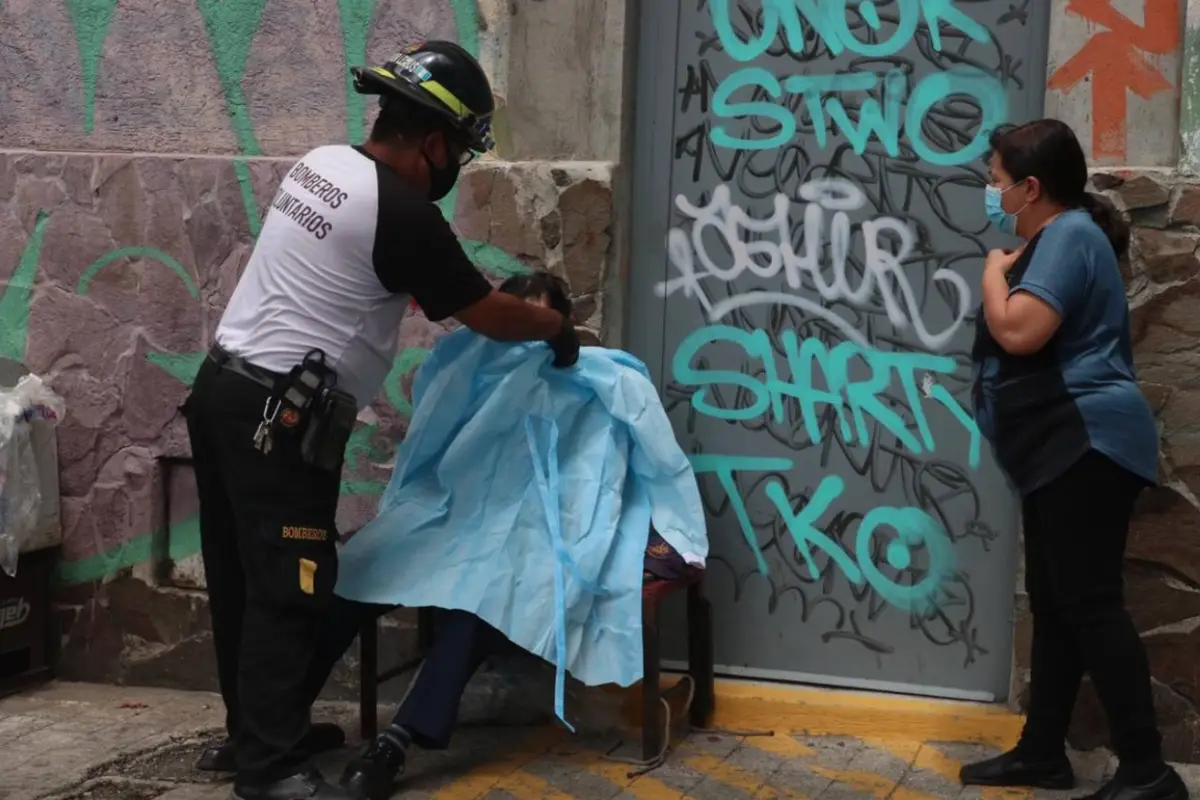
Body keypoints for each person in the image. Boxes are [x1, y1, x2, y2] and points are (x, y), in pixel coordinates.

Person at [182, 42, 580, 800]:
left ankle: (258, 736)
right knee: (289, 588)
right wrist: (553, 328)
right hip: (278, 417)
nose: (454, 164)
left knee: (241, 576)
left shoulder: (321, 166)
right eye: (460, 148)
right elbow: (487, 314)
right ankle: (271, 771)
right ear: (434, 141)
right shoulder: (400, 212)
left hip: (222, 395)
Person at [295, 270, 703, 800]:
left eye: (540, 327)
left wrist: (675, 533)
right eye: (518, 327)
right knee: (351, 580)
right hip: (456, 519)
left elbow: (656, 467)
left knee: (476, 604)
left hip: (546, 537)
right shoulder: (476, 373)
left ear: (562, 326)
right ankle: (279, 726)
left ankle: (395, 744)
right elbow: (434, 439)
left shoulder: (607, 381)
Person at [961, 118, 1187, 800]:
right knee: (1059, 606)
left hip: (1084, 443)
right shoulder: (1063, 236)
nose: (989, 190)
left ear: (1031, 188)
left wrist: (993, 276)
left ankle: (1149, 771)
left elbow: (1021, 331)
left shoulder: (1065, 238)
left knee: (1090, 605)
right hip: (1057, 449)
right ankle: (1042, 753)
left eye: (997, 181)